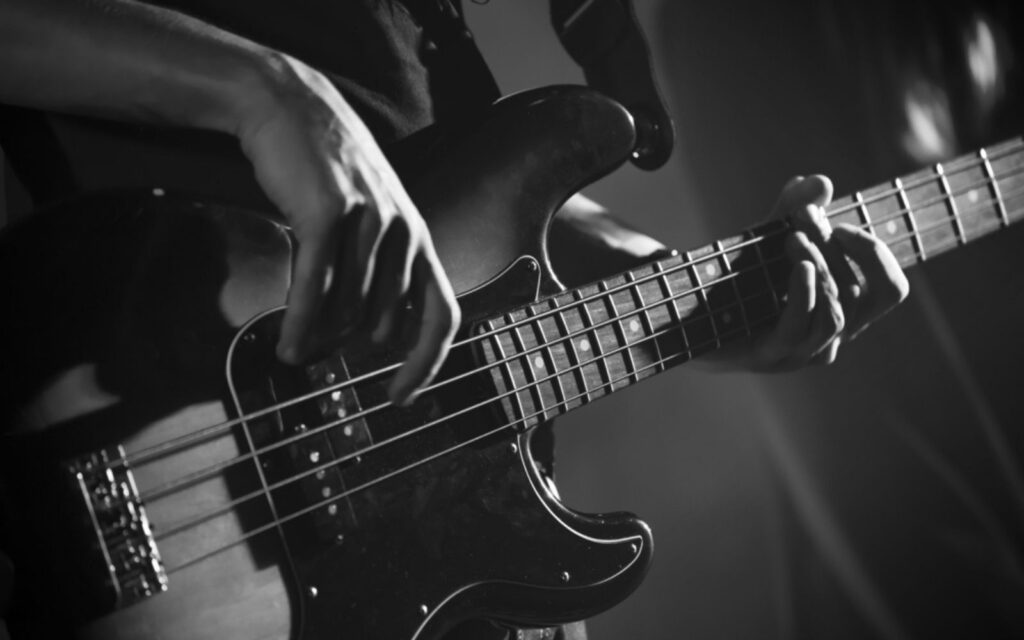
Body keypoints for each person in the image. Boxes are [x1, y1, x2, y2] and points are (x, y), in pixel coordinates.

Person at [0, 1, 909, 638]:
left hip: (441, 560)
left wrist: (701, 301)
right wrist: (270, 95)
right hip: (171, 424)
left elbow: (456, 173)